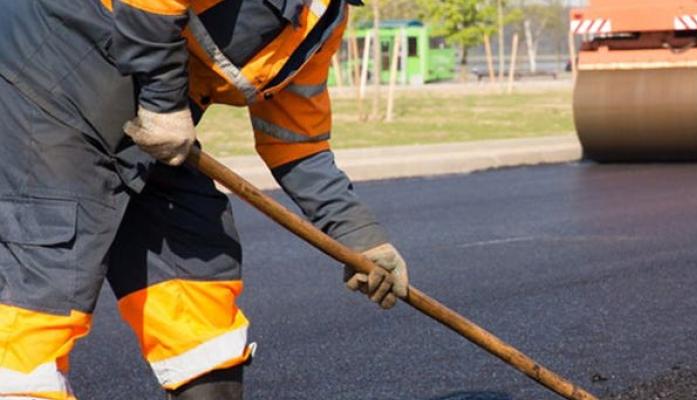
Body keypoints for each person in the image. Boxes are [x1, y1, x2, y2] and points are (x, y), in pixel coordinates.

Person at [0, 0, 407, 398]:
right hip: (45, 83)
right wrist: (163, 104)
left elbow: (296, 142)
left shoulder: (323, 18)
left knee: (197, 263)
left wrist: (359, 235)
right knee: (42, 285)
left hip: (151, 130)